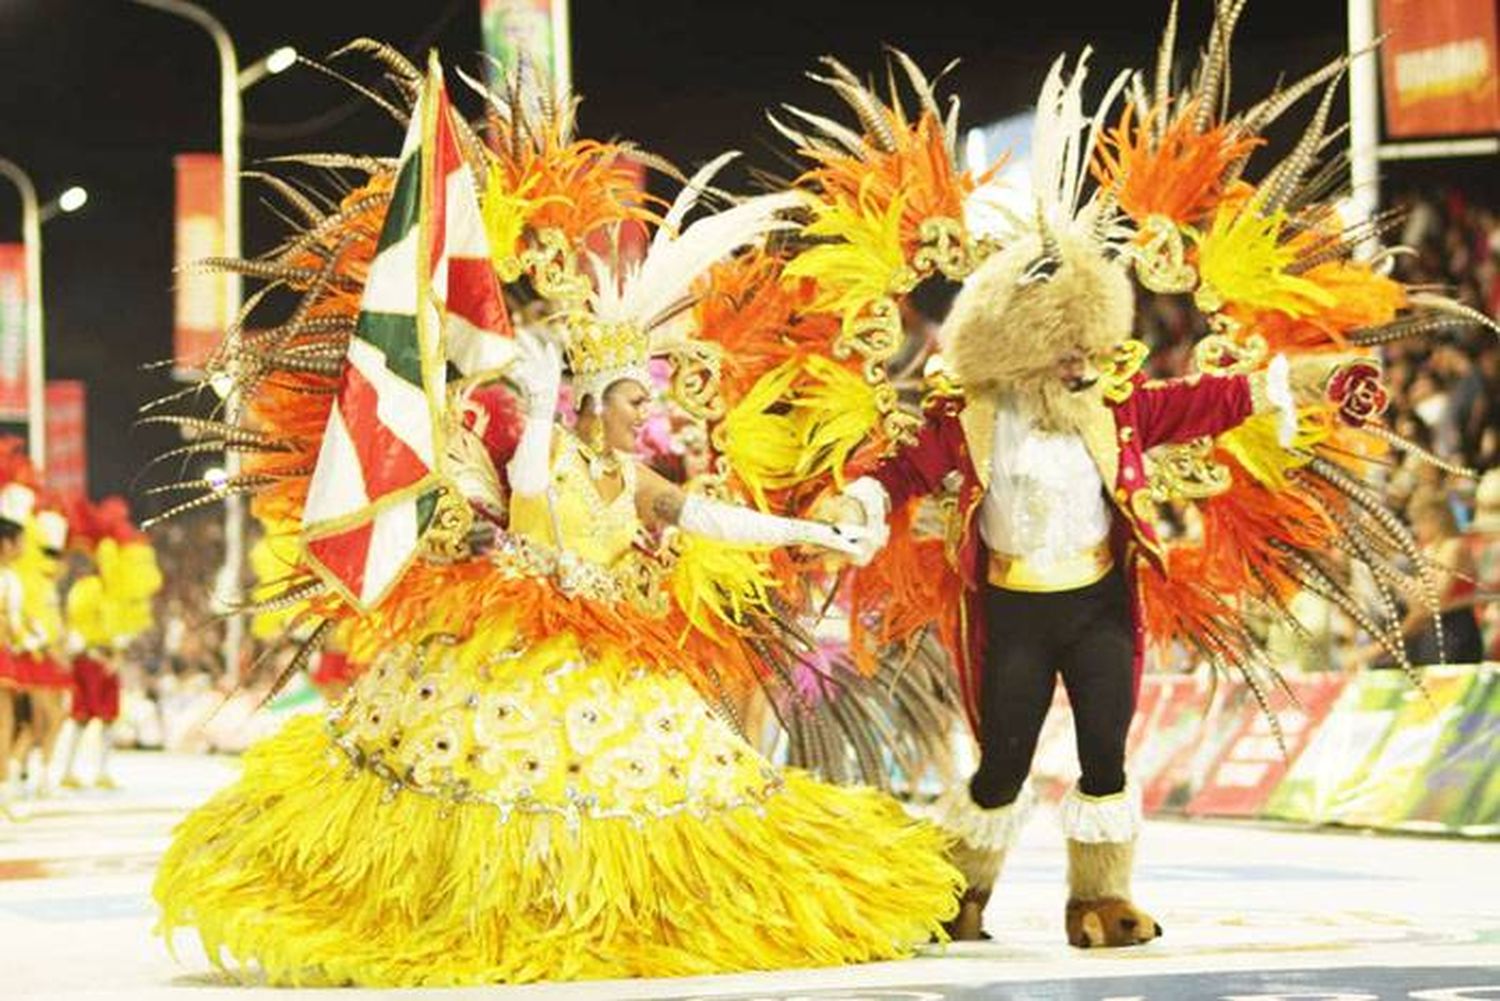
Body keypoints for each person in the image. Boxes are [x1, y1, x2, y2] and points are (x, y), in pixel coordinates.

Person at [152, 59, 958, 987]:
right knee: (488, 801)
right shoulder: (544, 453)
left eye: (638, 399)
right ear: (588, 402)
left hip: (620, 658)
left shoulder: (640, 478)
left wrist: (814, 537)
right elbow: (531, 484)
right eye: (621, 399)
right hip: (514, 651)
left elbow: (713, 518)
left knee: (662, 810)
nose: (636, 414)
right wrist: (537, 403)